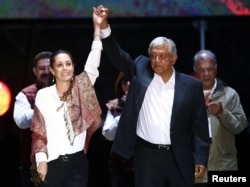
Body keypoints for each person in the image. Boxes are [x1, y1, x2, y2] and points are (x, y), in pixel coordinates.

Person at [94, 5, 211, 187]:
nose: (156, 61)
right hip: (147, 156)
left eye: (162, 56)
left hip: (179, 156)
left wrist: (201, 158)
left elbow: (200, 127)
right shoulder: (141, 70)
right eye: (153, 56)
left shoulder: (192, 86)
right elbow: (117, 55)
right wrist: (103, 26)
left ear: (174, 59)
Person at [30, 11, 103, 187]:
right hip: (52, 164)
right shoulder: (44, 95)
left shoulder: (81, 86)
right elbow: (39, 132)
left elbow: (94, 62)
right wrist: (41, 160)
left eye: (68, 64)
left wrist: (97, 29)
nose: (65, 68)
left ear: (73, 67)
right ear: (53, 71)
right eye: (60, 65)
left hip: (78, 163)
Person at [192, 49, 248, 186]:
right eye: (201, 70)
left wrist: (222, 113)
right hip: (196, 168)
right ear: (195, 71)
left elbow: (240, 127)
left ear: (216, 69)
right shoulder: (187, 95)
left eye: (210, 69)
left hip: (224, 167)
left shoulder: (229, 94)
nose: (206, 74)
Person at [13, 51, 52, 187]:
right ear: (35, 71)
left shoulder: (69, 93)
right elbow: (21, 122)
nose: (46, 71)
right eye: (42, 68)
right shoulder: (25, 94)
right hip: (33, 166)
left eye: (49, 67)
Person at [102, 72, 134, 187]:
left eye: (132, 81)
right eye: (125, 82)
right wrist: (123, 116)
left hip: (143, 164)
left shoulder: (148, 104)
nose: (128, 84)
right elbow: (108, 135)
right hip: (120, 166)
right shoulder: (114, 105)